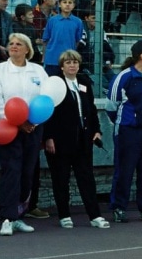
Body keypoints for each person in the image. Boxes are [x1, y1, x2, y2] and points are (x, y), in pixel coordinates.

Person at [0, 33, 49, 235]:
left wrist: (33, 122)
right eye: (11, 43)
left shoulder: (38, 71)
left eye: (18, 44)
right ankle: (7, 217)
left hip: (33, 128)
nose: (13, 46)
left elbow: (46, 98)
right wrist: (18, 121)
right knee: (11, 171)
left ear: (27, 49)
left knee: (27, 172)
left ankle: (19, 215)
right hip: (7, 128)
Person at [43, 50, 110, 230]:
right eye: (68, 62)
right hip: (60, 140)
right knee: (61, 179)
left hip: (83, 140)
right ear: (62, 66)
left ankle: (94, 215)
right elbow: (47, 111)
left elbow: (92, 109)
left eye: (75, 62)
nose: (72, 65)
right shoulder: (54, 83)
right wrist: (48, 137)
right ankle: (64, 215)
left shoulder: (84, 82)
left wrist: (96, 131)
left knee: (86, 178)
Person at [107, 38, 142, 223]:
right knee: (124, 170)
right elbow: (111, 105)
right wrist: (126, 123)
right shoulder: (124, 76)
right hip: (128, 131)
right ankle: (119, 207)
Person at [41, 0, 84, 76]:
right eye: (64, 2)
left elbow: (77, 40)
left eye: (70, 2)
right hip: (52, 60)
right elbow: (45, 40)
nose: (67, 4)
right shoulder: (52, 20)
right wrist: (44, 57)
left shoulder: (78, 22)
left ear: (73, 5)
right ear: (60, 4)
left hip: (68, 61)